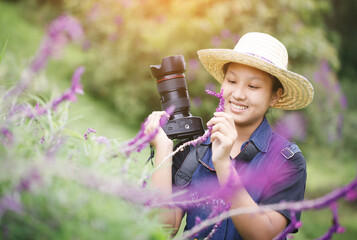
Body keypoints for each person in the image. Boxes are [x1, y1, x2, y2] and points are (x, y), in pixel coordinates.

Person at [145, 32, 314, 239]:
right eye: (232, 81)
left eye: (253, 86)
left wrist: (223, 164)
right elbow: (162, 228)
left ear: (275, 96)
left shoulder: (287, 160)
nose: (238, 94)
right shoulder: (193, 147)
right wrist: (163, 150)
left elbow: (263, 234)